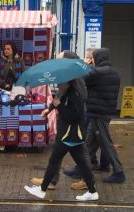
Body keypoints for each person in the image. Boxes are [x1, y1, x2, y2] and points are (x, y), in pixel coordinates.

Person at [24, 75, 99, 201]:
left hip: (69, 135)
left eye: (59, 82)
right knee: (82, 164)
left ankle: (42, 190)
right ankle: (92, 191)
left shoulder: (74, 95)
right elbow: (57, 100)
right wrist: (49, 110)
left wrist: (60, 106)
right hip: (72, 135)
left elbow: (75, 115)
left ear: (67, 82)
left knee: (54, 161)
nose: (57, 85)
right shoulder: (66, 91)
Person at [30, 50, 87, 190]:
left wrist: (60, 108)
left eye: (60, 59)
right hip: (67, 121)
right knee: (61, 153)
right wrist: (49, 109)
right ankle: (52, 181)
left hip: (71, 123)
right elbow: (60, 95)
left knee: (76, 154)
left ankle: (87, 182)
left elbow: (77, 100)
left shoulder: (74, 77)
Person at [69, 48, 125, 184]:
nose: (91, 60)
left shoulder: (98, 72)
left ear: (97, 58)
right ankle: (80, 168)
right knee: (89, 143)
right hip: (100, 112)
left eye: (92, 58)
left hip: (99, 113)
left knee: (106, 143)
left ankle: (119, 172)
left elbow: (81, 79)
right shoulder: (113, 72)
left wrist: (84, 64)